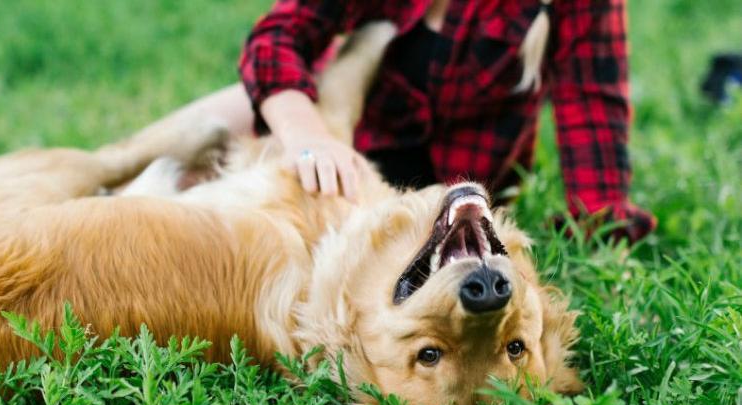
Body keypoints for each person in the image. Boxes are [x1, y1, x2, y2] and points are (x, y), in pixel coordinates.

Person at [143, 0, 655, 242]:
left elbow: (594, 111)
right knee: (167, 155)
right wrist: (308, 138)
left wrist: (603, 234)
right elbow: (278, 37)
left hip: (439, 191)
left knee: (212, 229)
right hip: (338, 138)